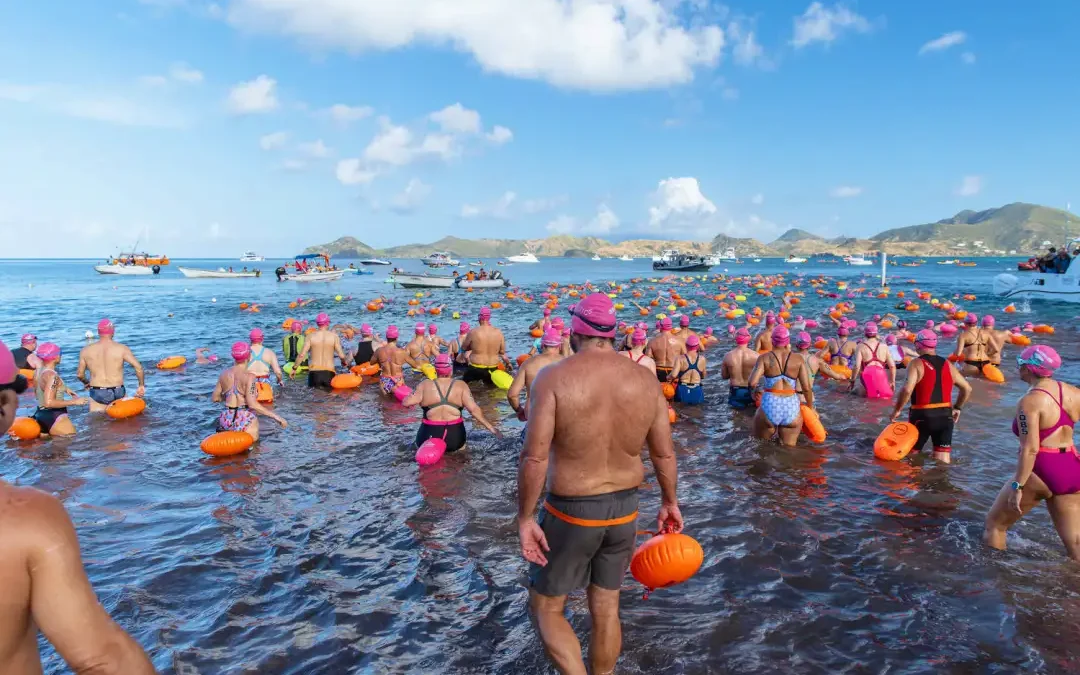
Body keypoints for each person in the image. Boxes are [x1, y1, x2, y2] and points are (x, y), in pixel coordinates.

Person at [516, 293, 682, 675]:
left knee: (546, 606)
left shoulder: (553, 377)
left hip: (572, 509)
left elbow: (535, 456)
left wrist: (525, 519)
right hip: (626, 509)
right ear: (613, 332)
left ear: (575, 332)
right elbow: (664, 454)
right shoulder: (644, 378)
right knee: (607, 607)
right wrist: (670, 501)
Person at [0, 340, 157, 673]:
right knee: (70, 448)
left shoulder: (43, 371)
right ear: (6, 404)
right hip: (59, 416)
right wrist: (77, 398)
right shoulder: (26, 517)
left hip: (44, 417)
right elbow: (102, 658)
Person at [984, 346, 1080, 559]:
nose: (1018, 369)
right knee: (1075, 541)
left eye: (1020, 364)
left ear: (1029, 368)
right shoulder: (1074, 392)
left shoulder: (1030, 401)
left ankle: (995, 582)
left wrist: (1018, 486)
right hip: (1072, 465)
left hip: (1043, 468)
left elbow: (1031, 448)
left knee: (994, 526)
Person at [889, 330, 971, 464]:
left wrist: (897, 410)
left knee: (911, 457)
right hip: (946, 416)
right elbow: (967, 388)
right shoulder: (947, 364)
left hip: (922, 416)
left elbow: (907, 389)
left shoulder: (916, 363)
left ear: (918, 345)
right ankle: (940, 483)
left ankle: (914, 483)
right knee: (943, 461)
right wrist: (957, 408)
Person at [403, 353, 499, 452]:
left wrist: (409, 397)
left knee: (421, 457)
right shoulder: (461, 385)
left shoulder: (425, 384)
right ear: (450, 369)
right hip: (454, 436)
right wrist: (491, 427)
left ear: (435, 369)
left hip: (428, 434)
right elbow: (474, 410)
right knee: (459, 458)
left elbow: (406, 403)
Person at [749, 326, 814, 447]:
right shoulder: (798, 359)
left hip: (770, 404)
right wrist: (810, 407)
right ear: (788, 341)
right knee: (789, 449)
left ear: (772, 340)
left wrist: (754, 392)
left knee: (762, 447)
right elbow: (806, 388)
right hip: (791, 406)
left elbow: (752, 382)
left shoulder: (764, 358)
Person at [212, 342, 287, 440]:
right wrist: (277, 417)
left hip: (226, 417)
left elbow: (215, 398)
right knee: (254, 450)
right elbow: (252, 404)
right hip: (245, 417)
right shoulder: (250, 377)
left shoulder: (223, 374)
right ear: (249, 356)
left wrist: (230, 396)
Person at [74, 319, 146, 412]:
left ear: (98, 332)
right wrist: (141, 385)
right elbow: (138, 367)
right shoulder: (122, 348)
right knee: (123, 419)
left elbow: (80, 374)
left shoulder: (85, 350)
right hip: (118, 390)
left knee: (98, 422)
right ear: (113, 332)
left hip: (98, 391)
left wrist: (86, 382)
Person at [28, 343, 88, 437]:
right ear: (55, 357)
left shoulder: (37, 372)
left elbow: (40, 390)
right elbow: (49, 403)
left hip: (40, 415)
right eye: (60, 354)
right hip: (56, 416)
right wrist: (75, 402)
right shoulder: (53, 377)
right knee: (71, 443)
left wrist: (65, 388)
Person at [509, 328, 567, 421]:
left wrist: (520, 411)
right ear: (559, 346)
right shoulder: (567, 363)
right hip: (561, 413)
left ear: (542, 345)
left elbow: (512, 395)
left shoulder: (528, 364)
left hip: (534, 414)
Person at [293, 313, 349, 390]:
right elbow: (342, 356)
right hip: (329, 373)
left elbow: (301, 355)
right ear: (328, 323)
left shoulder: (310, 336)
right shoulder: (334, 337)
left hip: (314, 374)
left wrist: (294, 368)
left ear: (317, 323)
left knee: (313, 400)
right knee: (330, 399)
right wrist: (344, 362)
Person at [460, 308, 512, 384]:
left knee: (467, 388)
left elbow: (463, 348)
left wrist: (473, 347)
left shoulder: (473, 332)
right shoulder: (499, 332)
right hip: (492, 369)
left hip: (475, 368)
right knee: (491, 392)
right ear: (489, 318)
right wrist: (508, 363)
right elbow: (502, 353)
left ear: (479, 318)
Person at [848, 322, 896, 399]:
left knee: (855, 394)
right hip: (881, 375)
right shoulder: (884, 346)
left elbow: (857, 366)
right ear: (876, 333)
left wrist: (852, 380)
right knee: (881, 397)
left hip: (868, 375)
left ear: (865, 333)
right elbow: (892, 366)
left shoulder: (860, 346)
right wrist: (892, 381)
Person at [372, 325, 421, 395]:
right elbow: (415, 365)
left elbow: (371, 362)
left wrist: (381, 360)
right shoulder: (402, 352)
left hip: (384, 381)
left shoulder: (379, 351)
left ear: (386, 337)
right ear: (397, 338)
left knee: (384, 402)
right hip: (398, 381)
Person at [794, 331, 844, 399]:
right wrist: (845, 376)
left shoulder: (789, 359)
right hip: (809, 398)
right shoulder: (817, 361)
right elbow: (836, 376)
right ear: (810, 345)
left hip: (792, 398)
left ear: (796, 345)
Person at [721, 327, 758, 409]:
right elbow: (761, 377)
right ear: (748, 339)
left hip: (735, 391)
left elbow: (724, 376)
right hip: (751, 391)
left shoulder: (728, 356)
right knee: (750, 418)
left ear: (736, 339)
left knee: (736, 418)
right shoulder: (756, 356)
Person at [645, 317, 686, 383]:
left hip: (658, 370)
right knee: (674, 392)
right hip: (673, 370)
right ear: (671, 327)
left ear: (661, 327)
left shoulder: (652, 341)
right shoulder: (680, 341)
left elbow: (647, 359)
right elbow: (685, 358)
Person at [669, 334, 706, 404]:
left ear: (686, 345)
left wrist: (667, 377)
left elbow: (673, 375)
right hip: (697, 390)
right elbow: (703, 376)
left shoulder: (680, 358)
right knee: (698, 412)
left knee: (681, 412)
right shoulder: (702, 359)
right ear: (697, 346)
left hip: (683, 389)